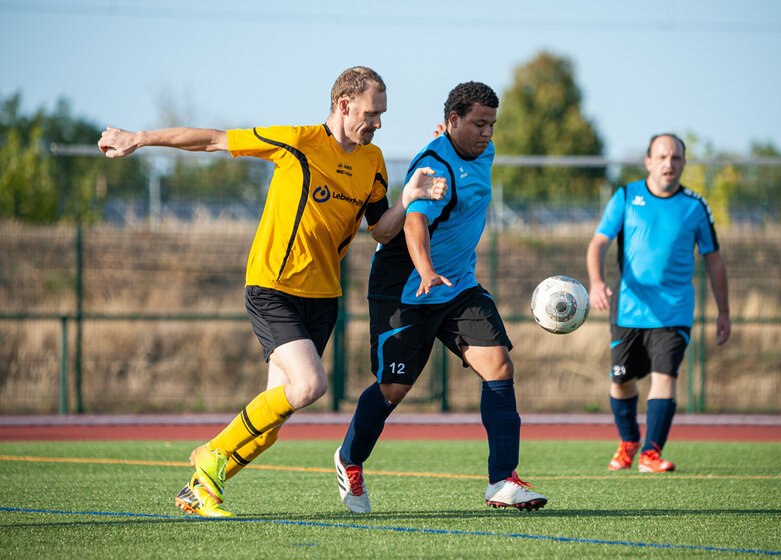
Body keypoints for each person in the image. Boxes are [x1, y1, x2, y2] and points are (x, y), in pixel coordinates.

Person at [97, 66, 447, 517]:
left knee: (272, 420)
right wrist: (139, 137)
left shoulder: (373, 162)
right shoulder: (297, 142)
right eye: (371, 113)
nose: (378, 123)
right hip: (273, 288)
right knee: (310, 385)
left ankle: (198, 488)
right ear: (344, 105)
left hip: (323, 298)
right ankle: (210, 454)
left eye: (382, 114)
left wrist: (408, 199)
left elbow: (380, 231)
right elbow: (213, 139)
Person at [332, 81, 547, 514]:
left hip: (458, 286)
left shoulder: (478, 150)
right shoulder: (433, 168)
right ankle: (349, 459)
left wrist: (442, 273)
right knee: (394, 388)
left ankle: (502, 481)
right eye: (478, 124)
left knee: (498, 364)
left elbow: (467, 153)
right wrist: (427, 270)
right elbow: (413, 224)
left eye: (492, 125)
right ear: (452, 121)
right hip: (407, 287)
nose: (487, 134)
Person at [586, 133, 731, 473]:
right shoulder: (625, 196)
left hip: (674, 309)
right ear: (649, 161)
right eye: (662, 157)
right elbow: (598, 244)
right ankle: (628, 440)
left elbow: (715, 260)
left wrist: (724, 311)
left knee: (664, 377)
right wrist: (595, 282)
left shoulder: (696, 206)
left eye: (676, 158)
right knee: (621, 380)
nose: (670, 164)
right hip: (628, 308)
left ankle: (651, 453)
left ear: (683, 163)